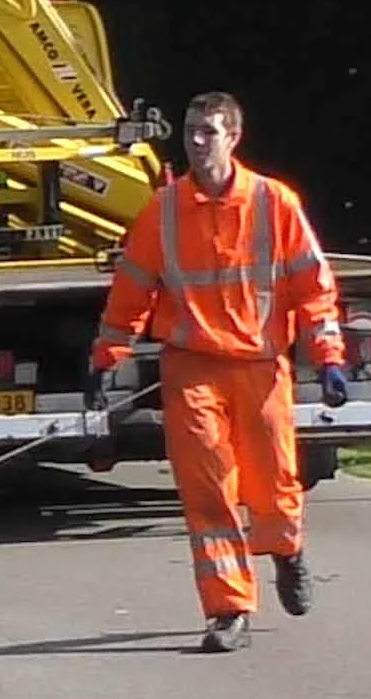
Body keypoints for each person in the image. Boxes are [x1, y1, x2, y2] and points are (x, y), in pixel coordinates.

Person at [90, 92, 349, 653]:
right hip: (192, 367)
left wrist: (328, 355)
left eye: (208, 131)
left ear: (234, 136)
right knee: (207, 490)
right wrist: (105, 358)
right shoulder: (163, 211)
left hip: (259, 366)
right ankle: (228, 610)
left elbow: (313, 285)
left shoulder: (274, 203)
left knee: (274, 480)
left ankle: (286, 550)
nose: (196, 141)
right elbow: (132, 289)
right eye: (190, 131)